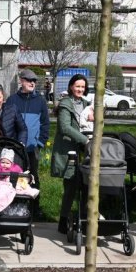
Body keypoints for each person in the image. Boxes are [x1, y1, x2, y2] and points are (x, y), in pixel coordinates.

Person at [51, 74, 93, 234]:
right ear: (70, 87)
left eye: (83, 87)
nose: (80, 89)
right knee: (71, 186)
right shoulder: (65, 104)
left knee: (86, 185)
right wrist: (85, 141)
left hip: (85, 150)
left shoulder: (86, 104)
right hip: (69, 150)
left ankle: (82, 218)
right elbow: (65, 127)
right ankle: (63, 220)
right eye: (77, 86)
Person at [8, 69, 50, 189]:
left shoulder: (40, 101)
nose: (32, 83)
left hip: (33, 146)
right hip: (15, 146)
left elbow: (45, 123)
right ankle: (15, 204)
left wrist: (40, 142)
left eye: (34, 81)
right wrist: (11, 141)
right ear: (21, 81)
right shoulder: (12, 100)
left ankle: (34, 206)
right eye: (29, 80)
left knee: (33, 176)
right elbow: (7, 123)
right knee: (14, 175)